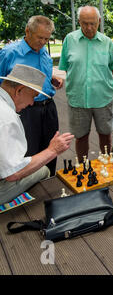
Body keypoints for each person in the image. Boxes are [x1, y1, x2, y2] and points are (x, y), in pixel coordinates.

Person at [0, 15, 64, 176]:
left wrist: (51, 78)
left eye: (47, 39)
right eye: (40, 37)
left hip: (48, 107)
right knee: (27, 150)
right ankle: (28, 189)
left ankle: (48, 179)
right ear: (27, 31)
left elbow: (35, 74)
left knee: (50, 148)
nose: (43, 42)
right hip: (24, 110)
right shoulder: (9, 53)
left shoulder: (43, 52)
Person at [0, 64, 73, 204]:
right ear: (19, 90)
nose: (32, 103)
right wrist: (53, 150)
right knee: (43, 170)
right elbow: (13, 173)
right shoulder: (6, 117)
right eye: (33, 96)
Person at [59, 6, 113, 162]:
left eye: (92, 23)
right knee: (80, 137)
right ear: (79, 21)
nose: (88, 27)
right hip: (78, 99)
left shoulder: (107, 43)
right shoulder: (69, 40)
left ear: (99, 21)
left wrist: (98, 80)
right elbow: (67, 68)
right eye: (84, 23)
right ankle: (83, 165)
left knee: (105, 134)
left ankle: (106, 162)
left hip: (102, 98)